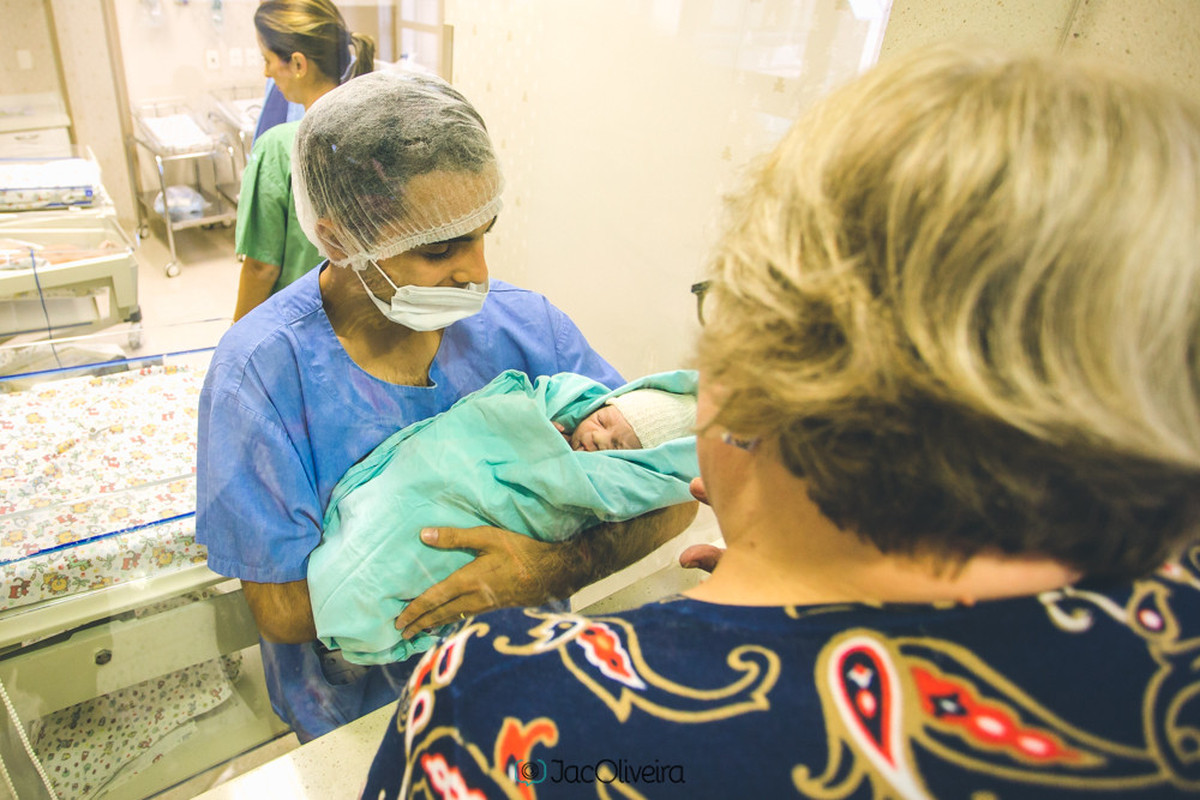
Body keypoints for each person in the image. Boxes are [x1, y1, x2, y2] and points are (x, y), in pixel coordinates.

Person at [360, 45, 1200, 798]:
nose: (475, 271)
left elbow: (641, 491)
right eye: (442, 246)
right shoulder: (1174, 621)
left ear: (773, 359)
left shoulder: (491, 716)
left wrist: (570, 555)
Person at [195, 70, 697, 743]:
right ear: (339, 237)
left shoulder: (527, 331)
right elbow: (283, 609)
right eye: (440, 249)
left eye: (481, 234)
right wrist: (432, 566)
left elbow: (673, 495)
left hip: (524, 685)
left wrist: (551, 567)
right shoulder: (261, 377)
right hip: (363, 720)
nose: (476, 273)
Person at [309, 369, 698, 665]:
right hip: (416, 495)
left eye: (618, 447)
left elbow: (675, 505)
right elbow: (485, 426)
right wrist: (534, 431)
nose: (599, 440)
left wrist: (554, 566)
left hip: (494, 653)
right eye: (601, 423)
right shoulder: (550, 407)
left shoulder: (606, 481)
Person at [232, 0, 376, 321]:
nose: (266, 71)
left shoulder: (281, 148)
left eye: (267, 60)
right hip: (367, 323)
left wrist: (236, 339)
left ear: (298, 64)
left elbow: (260, 267)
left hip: (298, 326)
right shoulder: (378, 138)